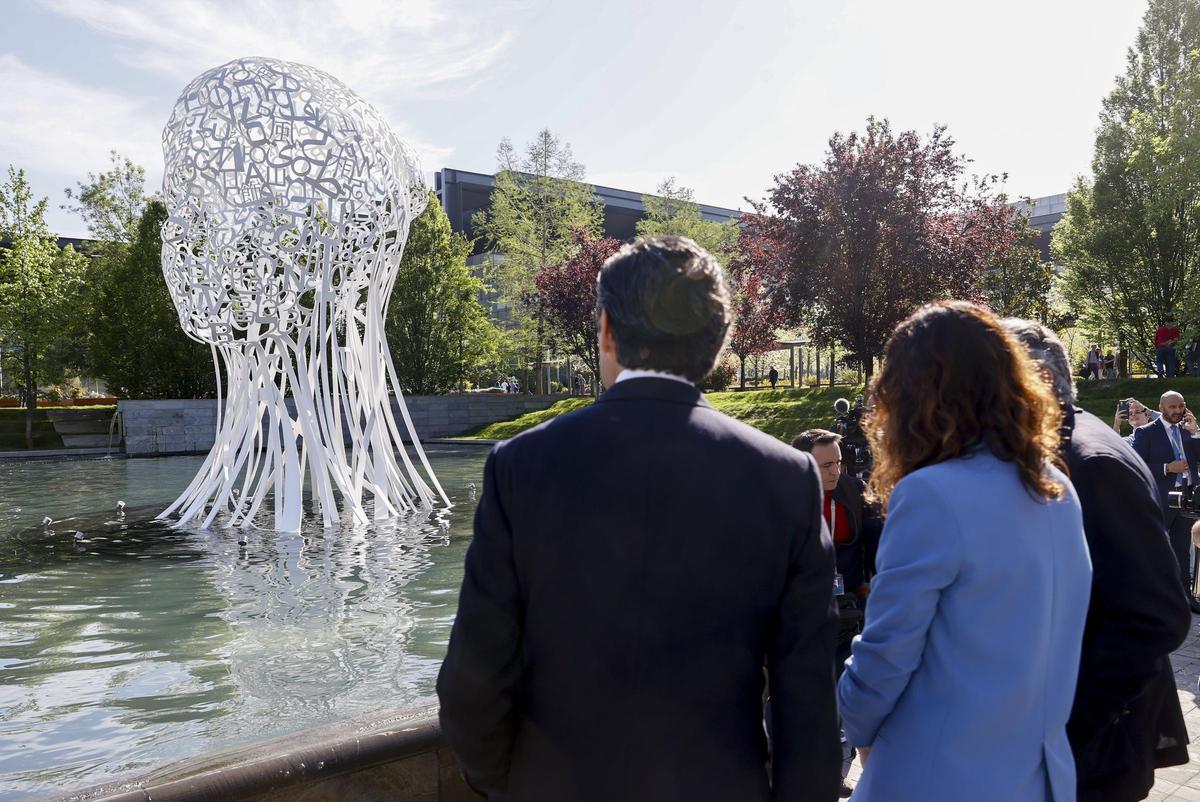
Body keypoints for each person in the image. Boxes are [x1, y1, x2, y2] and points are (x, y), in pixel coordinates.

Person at [437, 236, 841, 802]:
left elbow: (473, 679)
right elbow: (808, 693)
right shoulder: (786, 477)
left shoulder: (520, 465)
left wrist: (507, 784)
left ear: (606, 329)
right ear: (719, 345)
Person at [836, 301, 1091, 802]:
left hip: (938, 774)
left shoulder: (932, 493)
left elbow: (887, 652)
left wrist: (851, 715)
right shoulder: (1055, 484)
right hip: (1040, 778)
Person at [1004, 319, 1190, 802]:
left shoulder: (1090, 460)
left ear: (1040, 381)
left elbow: (1156, 615)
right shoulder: (1064, 443)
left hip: (1099, 745)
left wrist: (1070, 724)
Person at [1130, 391, 1200, 612]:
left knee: (1182, 551)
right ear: (1161, 408)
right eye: (1172, 407)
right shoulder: (1146, 432)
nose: (1177, 411)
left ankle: (1184, 600)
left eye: (1181, 406)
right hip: (1159, 501)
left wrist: (1196, 431)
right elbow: (1136, 465)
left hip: (1185, 500)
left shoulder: (1188, 431)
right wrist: (1167, 468)